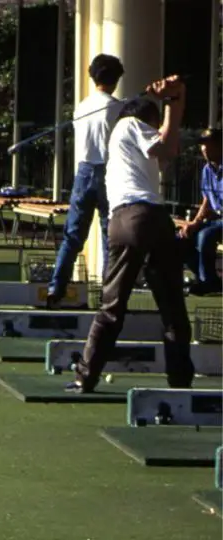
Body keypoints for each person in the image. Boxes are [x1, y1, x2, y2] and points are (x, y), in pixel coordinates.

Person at [67, 75, 193, 394]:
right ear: (145, 119)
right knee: (172, 308)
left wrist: (174, 101)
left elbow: (169, 145)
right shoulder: (130, 125)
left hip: (128, 220)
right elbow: (166, 142)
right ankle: (179, 380)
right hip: (153, 219)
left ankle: (86, 376)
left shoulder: (126, 140)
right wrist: (171, 103)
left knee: (112, 306)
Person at [47, 54, 125, 308]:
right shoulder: (117, 107)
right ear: (115, 79)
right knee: (108, 235)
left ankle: (56, 287)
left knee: (73, 235)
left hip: (83, 172)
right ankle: (108, 294)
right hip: (107, 171)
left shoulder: (81, 106)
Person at [179, 127, 222, 295]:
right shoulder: (206, 170)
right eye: (202, 145)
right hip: (216, 218)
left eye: (208, 145)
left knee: (205, 236)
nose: (203, 149)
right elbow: (207, 200)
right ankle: (209, 279)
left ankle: (207, 282)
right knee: (183, 237)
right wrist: (194, 222)